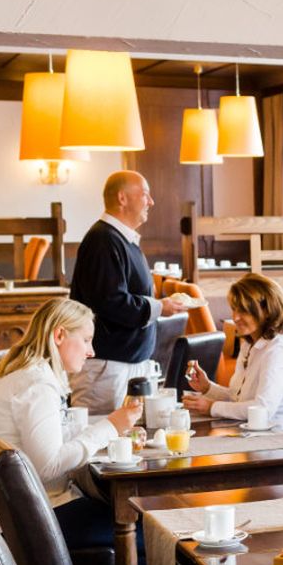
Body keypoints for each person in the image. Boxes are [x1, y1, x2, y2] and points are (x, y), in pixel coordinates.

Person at [0, 298, 142, 565]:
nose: (91, 351)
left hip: (22, 506)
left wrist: (109, 430)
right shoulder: (36, 384)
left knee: (128, 520)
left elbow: (43, 447)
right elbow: (48, 463)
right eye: (87, 340)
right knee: (147, 532)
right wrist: (109, 427)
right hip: (30, 518)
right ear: (60, 335)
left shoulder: (27, 373)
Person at [69, 170, 186, 414]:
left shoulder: (121, 239)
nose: (151, 202)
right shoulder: (102, 240)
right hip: (108, 369)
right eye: (145, 194)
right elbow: (110, 301)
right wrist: (159, 307)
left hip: (126, 365)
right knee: (101, 442)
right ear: (122, 198)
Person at [181, 273, 283, 436]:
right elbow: (239, 399)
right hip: (260, 433)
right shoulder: (249, 345)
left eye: (244, 311)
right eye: (234, 309)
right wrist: (208, 388)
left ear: (267, 310)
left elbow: (262, 409)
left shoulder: (279, 351)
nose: (235, 317)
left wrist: (211, 407)